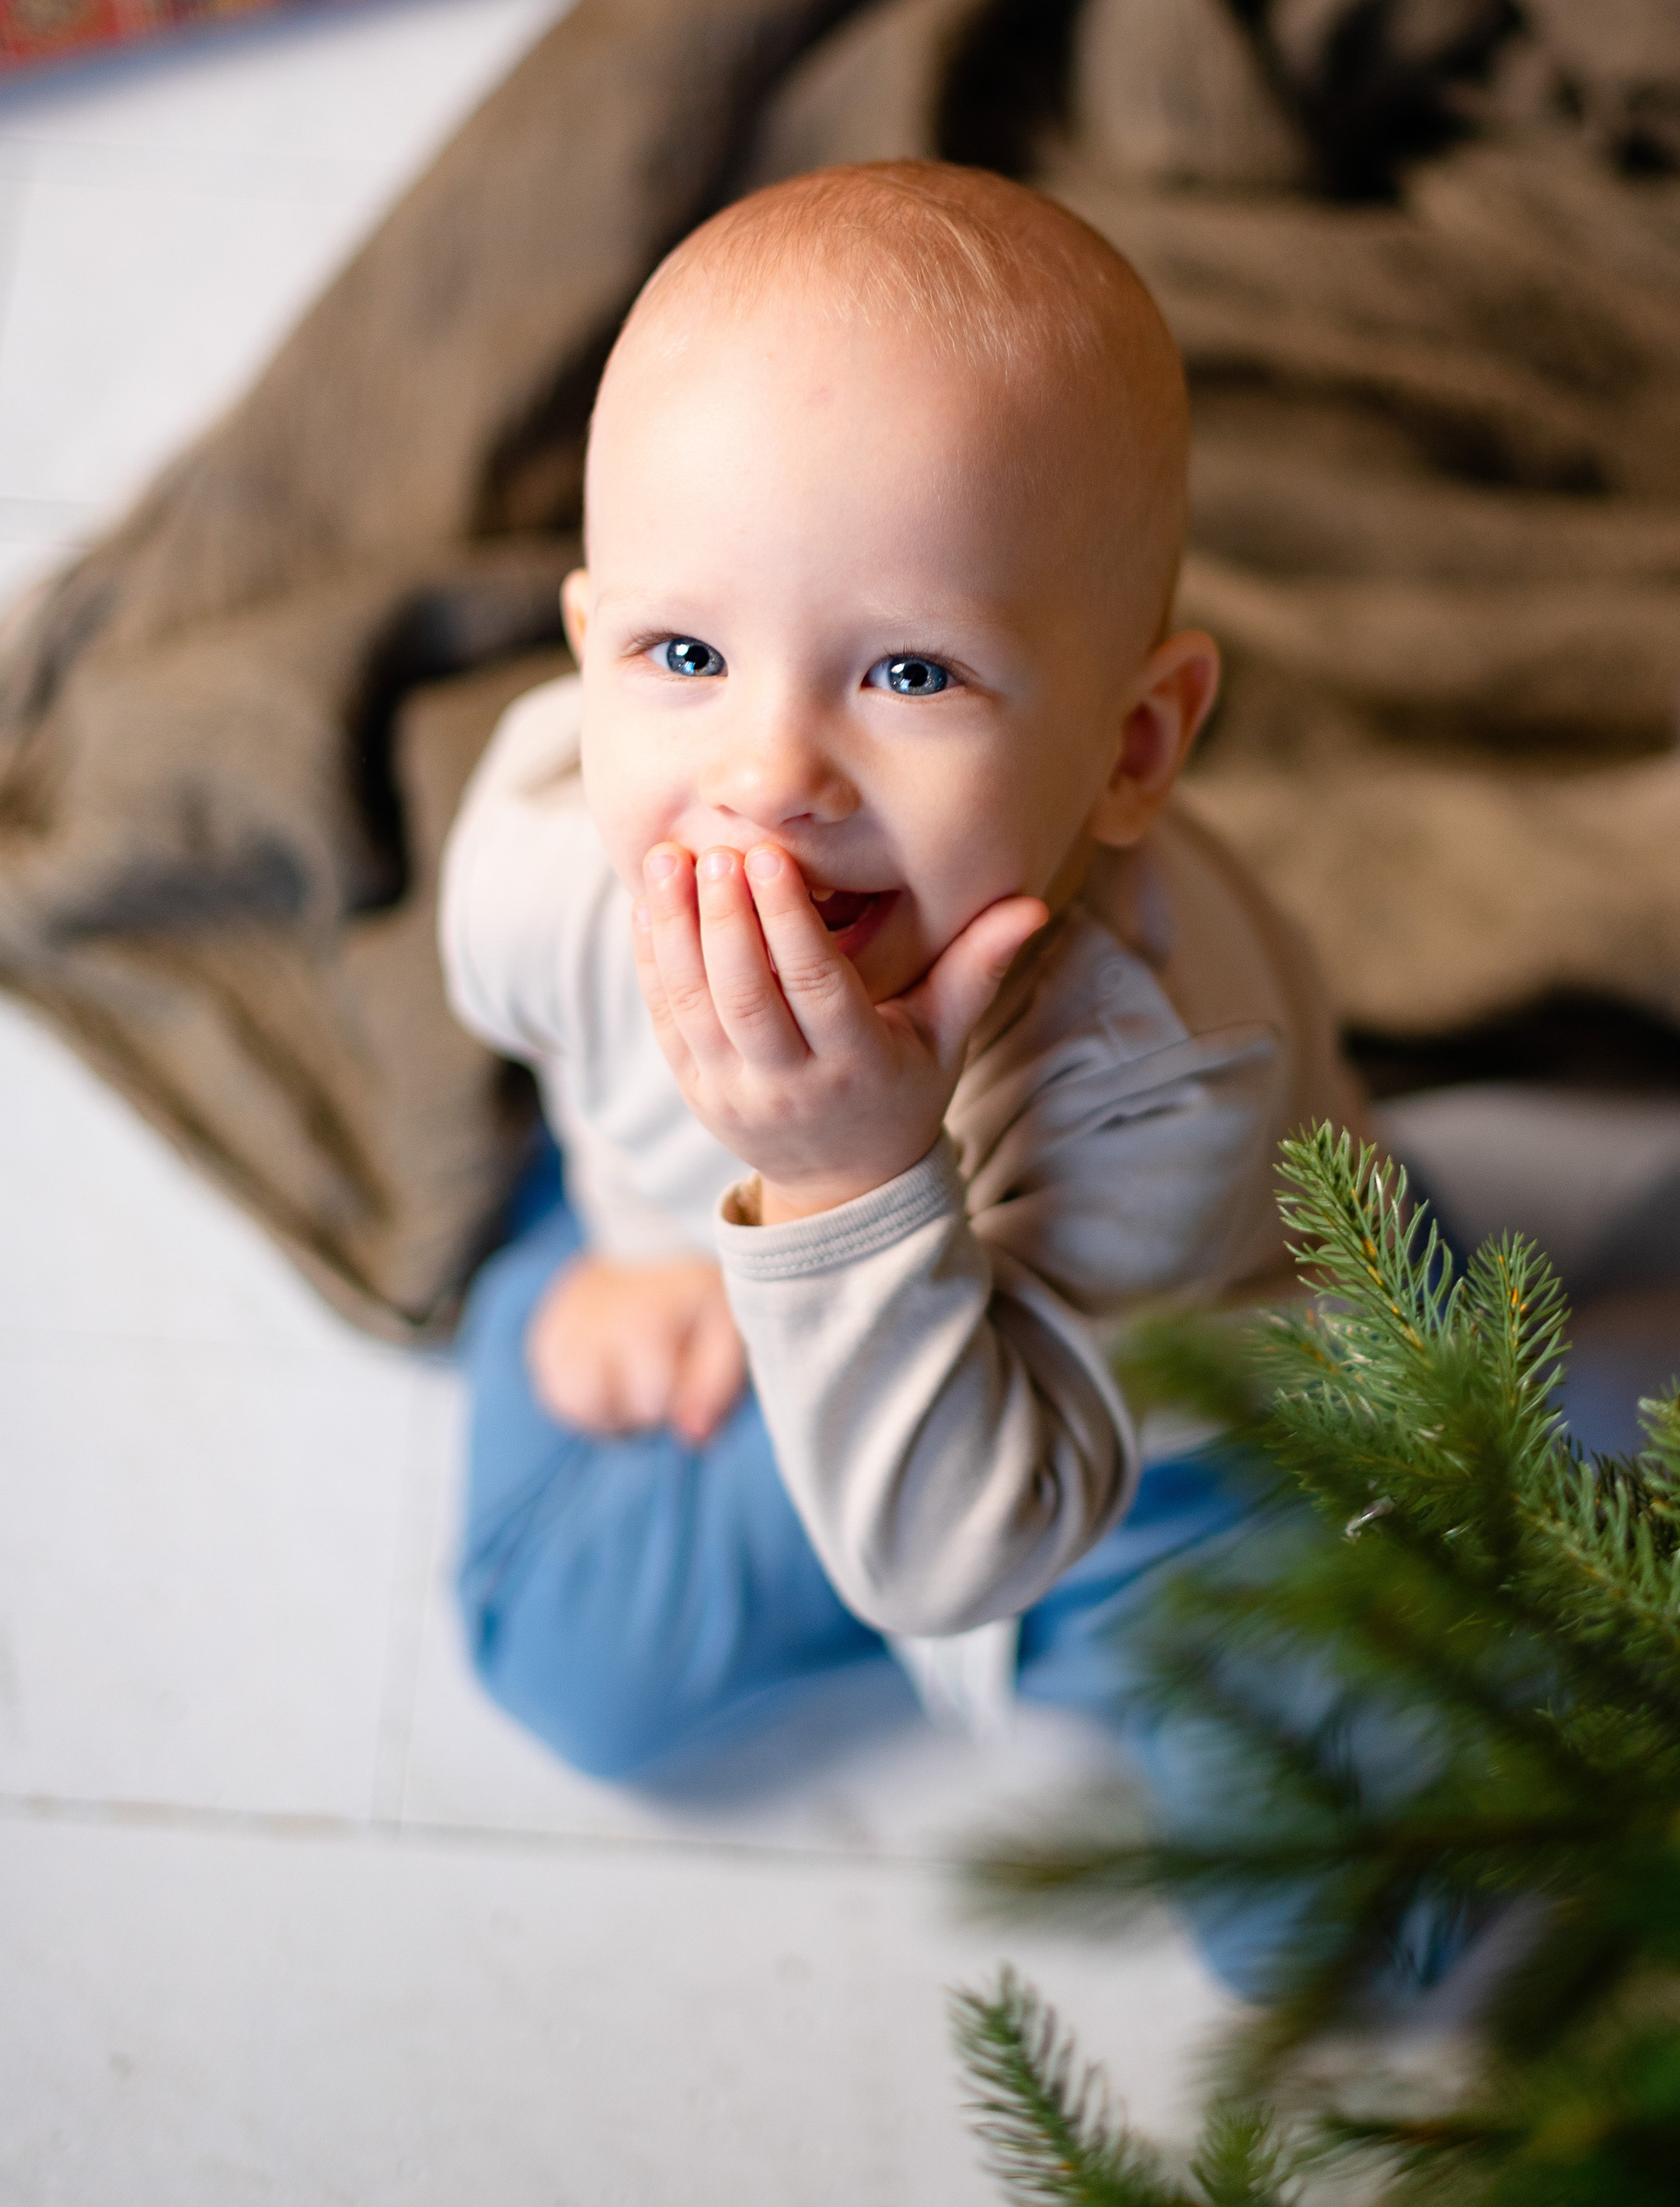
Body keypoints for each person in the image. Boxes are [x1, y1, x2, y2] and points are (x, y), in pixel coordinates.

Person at [439, 159, 1363, 1975]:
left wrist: (852, 1176)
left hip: (1127, 1447)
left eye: (913, 673)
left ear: (1130, 744)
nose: (768, 769)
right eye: (683, 652)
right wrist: (643, 1228)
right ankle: (622, 1274)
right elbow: (542, 1028)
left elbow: (964, 1545)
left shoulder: (1157, 1068)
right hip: (798, 1363)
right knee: (558, 1652)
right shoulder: (558, 854)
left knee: (1324, 1910)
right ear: (585, 654)